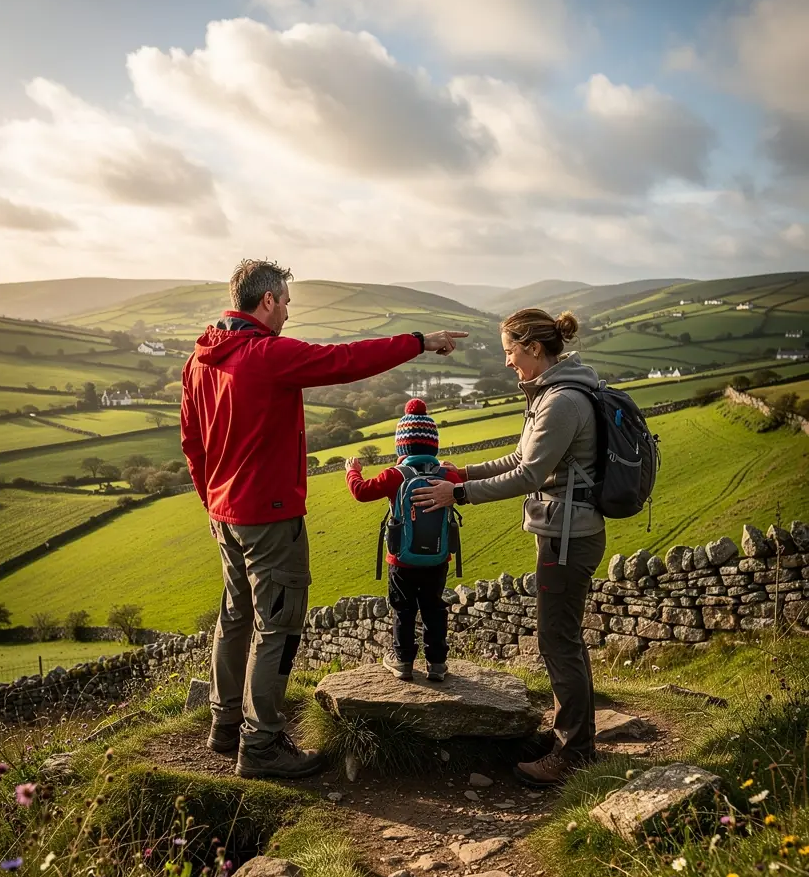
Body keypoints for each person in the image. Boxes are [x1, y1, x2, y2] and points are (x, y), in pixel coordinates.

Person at [181, 258, 467, 780]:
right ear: (266, 300)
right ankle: (261, 744)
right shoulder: (264, 355)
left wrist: (212, 501)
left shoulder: (201, 359)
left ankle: (225, 726)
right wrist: (420, 341)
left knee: (236, 615)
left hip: (225, 514)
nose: (289, 311)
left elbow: (192, 443)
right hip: (268, 515)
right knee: (279, 625)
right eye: (286, 301)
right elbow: (345, 360)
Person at [411, 308, 606, 787]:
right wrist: (466, 471)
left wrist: (456, 494)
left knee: (557, 639)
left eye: (510, 352)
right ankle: (569, 737)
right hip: (566, 529)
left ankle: (575, 753)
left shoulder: (561, 400)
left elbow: (527, 476)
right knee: (562, 637)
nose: (507, 363)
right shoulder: (555, 392)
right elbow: (522, 456)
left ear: (534, 349)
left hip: (568, 536)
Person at [345, 399, 462, 683]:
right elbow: (461, 489)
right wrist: (453, 468)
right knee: (434, 607)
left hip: (401, 559)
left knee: (404, 608)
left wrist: (353, 470)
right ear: (432, 444)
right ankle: (437, 664)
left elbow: (360, 492)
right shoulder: (446, 474)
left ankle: (404, 662)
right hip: (437, 558)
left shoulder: (396, 475)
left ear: (402, 446)